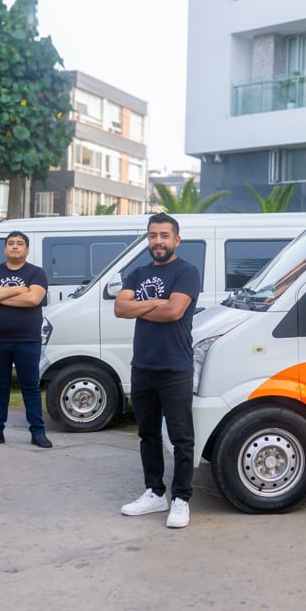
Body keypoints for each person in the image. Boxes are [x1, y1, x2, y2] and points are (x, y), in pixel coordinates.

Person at [114, 213, 201, 529]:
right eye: (153, 235)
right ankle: (154, 492)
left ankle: (181, 498)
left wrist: (145, 304)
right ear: (147, 239)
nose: (158, 241)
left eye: (164, 235)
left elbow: (175, 311)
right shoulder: (137, 272)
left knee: (181, 437)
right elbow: (120, 308)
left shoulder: (187, 272)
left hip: (175, 366)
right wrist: (157, 303)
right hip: (143, 367)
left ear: (176, 240)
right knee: (147, 434)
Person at [0, 231, 52, 449]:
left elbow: (33, 299)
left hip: (27, 340)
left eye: (19, 244)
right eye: (11, 243)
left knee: (30, 387)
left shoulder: (36, 273)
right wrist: (17, 289)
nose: (15, 247)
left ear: (26, 249)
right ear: (5, 248)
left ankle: (38, 432)